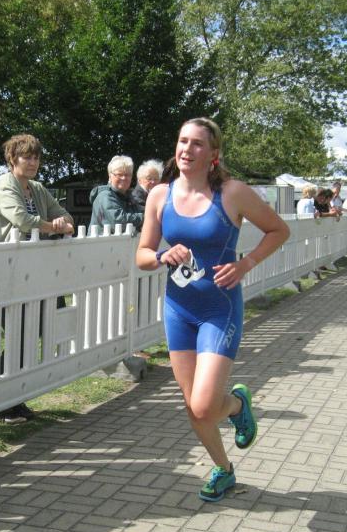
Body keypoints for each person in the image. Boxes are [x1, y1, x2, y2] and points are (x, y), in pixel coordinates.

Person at [136, 117, 290, 502]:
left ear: (213, 154)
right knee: (195, 408)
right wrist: (161, 255)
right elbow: (142, 255)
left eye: (197, 143)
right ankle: (223, 468)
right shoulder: (159, 195)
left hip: (219, 310)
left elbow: (279, 230)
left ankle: (237, 404)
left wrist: (246, 263)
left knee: (205, 405)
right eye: (182, 141)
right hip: (179, 310)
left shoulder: (232, 193)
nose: (187, 149)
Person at [0, 133, 74, 423]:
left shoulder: (36, 188)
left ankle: (14, 398)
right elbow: (22, 220)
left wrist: (62, 223)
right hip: (7, 271)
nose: (33, 162)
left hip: (34, 272)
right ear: (13, 159)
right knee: (17, 333)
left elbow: (67, 216)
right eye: (26, 157)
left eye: (36, 157)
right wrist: (55, 227)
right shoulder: (4, 184)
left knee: (32, 333)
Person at [89, 155, 144, 232]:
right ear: (110, 176)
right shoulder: (105, 196)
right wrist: (144, 218)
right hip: (103, 240)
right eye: (119, 174)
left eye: (127, 174)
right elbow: (119, 221)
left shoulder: (129, 197)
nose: (124, 178)